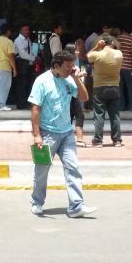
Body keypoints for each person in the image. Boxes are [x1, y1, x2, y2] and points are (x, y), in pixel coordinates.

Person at [29, 50, 95, 218]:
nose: (70, 70)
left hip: (66, 133)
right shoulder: (42, 81)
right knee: (41, 172)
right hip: (47, 134)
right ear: (56, 66)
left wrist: (76, 78)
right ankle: (37, 202)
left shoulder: (69, 79)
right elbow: (35, 109)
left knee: (73, 168)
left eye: (72, 66)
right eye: (67, 68)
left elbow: (84, 97)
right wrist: (37, 135)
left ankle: (76, 206)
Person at [87, 34, 124, 148]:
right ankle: (117, 140)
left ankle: (98, 140)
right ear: (112, 43)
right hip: (114, 86)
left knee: (99, 114)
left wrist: (97, 47)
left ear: (102, 43)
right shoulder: (119, 54)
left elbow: (88, 56)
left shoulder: (97, 55)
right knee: (115, 115)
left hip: (99, 87)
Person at [0, 24, 17, 110]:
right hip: (5, 66)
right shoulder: (9, 42)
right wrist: (15, 69)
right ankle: (1, 105)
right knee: (4, 86)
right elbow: (11, 57)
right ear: (8, 31)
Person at [116, 26, 132, 112]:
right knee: (131, 87)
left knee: (119, 87)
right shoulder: (131, 39)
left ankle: (120, 106)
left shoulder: (116, 38)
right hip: (128, 67)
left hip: (117, 67)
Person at [13, 23, 35, 110]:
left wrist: (32, 58)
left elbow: (30, 51)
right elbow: (22, 54)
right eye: (25, 30)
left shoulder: (28, 39)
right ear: (20, 31)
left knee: (27, 83)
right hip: (21, 63)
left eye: (28, 30)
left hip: (28, 63)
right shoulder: (18, 40)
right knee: (21, 84)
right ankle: (20, 104)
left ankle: (25, 102)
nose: (27, 31)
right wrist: (33, 58)